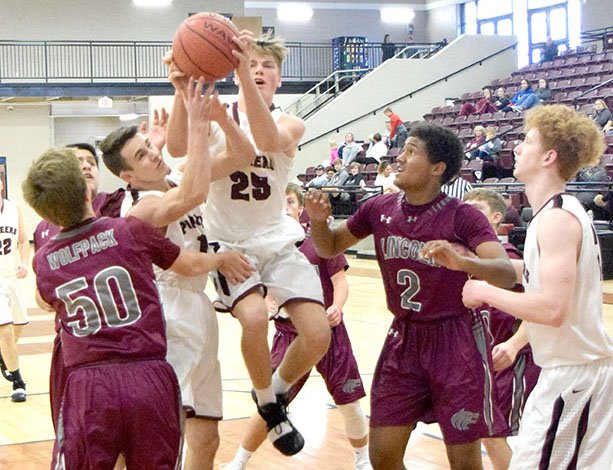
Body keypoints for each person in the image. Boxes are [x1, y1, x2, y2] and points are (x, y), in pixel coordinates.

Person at [305, 122, 517, 470]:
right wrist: (317, 222)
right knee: (383, 456)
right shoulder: (378, 208)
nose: (398, 158)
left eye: (411, 151)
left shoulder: (462, 215)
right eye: (402, 150)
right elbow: (329, 246)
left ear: (437, 168)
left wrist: (463, 261)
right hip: (403, 338)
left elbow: (506, 274)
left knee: (464, 461)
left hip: (455, 340)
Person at [23, 148, 251, 469]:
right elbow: (186, 263)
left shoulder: (44, 259)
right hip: (148, 375)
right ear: (86, 189)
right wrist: (221, 260)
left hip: (88, 386)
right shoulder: (129, 230)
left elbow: (45, 300)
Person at [166, 31, 331, 457]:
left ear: (279, 78)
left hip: (275, 238)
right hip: (229, 240)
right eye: (251, 63)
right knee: (255, 318)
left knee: (317, 335)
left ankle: (269, 397)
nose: (258, 70)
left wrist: (237, 74)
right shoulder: (214, 108)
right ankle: (269, 401)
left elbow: (268, 139)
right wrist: (183, 91)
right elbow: (178, 147)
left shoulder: (291, 121)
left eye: (266, 66)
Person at [101, 78, 255, 470]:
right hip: (167, 313)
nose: (154, 153)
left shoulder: (172, 178)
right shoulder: (141, 209)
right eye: (142, 155)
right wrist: (200, 130)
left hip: (198, 307)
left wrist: (185, 89)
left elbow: (243, 154)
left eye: (150, 145)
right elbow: (192, 196)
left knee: (207, 437)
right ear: (128, 178)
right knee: (162, 432)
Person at [462, 104, 613, 470]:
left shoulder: (557, 219)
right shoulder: (554, 213)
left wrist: (484, 291)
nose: (516, 148)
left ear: (548, 156)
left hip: (576, 375)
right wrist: (469, 264)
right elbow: (531, 273)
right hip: (570, 372)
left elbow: (552, 309)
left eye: (527, 141)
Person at [224, 183, 372, 470]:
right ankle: (239, 460)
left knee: (350, 400)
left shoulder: (318, 241)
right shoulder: (264, 247)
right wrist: (265, 302)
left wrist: (337, 306)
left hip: (329, 333)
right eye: (280, 202)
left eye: (289, 201)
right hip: (288, 333)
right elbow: (257, 290)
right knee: (270, 402)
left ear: (301, 208)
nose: (284, 207)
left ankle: (362, 460)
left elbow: (340, 281)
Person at [463, 189, 541, 470]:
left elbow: (539, 309)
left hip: (512, 358)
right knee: (487, 435)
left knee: (503, 436)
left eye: (478, 209)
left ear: (496, 218)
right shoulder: (463, 258)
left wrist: (515, 344)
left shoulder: (507, 257)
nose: (469, 214)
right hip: (481, 363)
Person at [0, 177, 29, 403]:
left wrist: (24, 263)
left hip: (11, 277)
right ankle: (18, 381)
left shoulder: (13, 208)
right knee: (5, 330)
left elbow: (22, 241)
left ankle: (4, 357)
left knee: (18, 325)